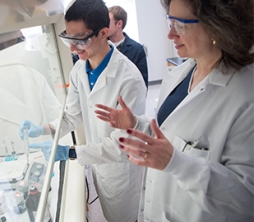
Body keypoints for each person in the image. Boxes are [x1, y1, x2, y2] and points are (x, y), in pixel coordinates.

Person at [95, 0, 254, 221]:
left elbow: (246, 200)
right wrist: (137, 124)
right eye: (170, 22)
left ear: (218, 26)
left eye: (179, 25)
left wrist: (178, 164)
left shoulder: (246, 96)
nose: (170, 34)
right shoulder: (184, 72)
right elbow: (170, 135)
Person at [19, 0, 147, 221]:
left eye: (80, 40)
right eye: (69, 38)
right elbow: (71, 115)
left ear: (104, 33)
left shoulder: (129, 79)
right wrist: (41, 129)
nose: (72, 48)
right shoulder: (79, 70)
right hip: (100, 168)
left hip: (121, 173)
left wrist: (71, 152)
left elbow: (122, 146)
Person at [108, 5, 148, 88]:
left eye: (108, 22)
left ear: (119, 24)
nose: (104, 26)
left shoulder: (137, 49)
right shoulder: (100, 47)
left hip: (127, 97)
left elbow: (142, 83)